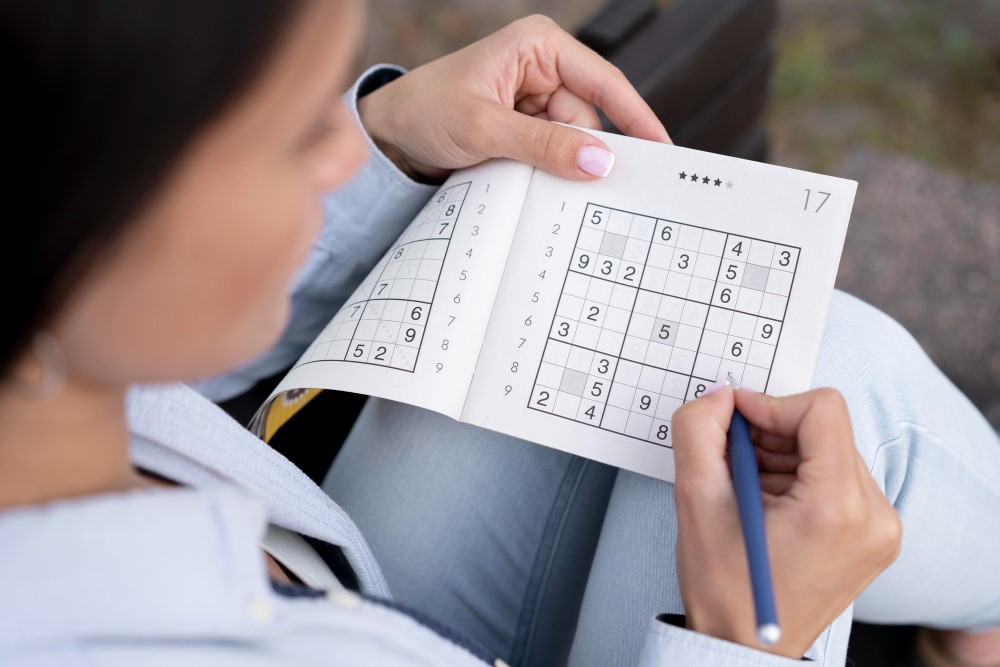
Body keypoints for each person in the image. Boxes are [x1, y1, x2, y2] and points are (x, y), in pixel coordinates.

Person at [1, 1, 998, 665]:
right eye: (297, 132)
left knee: (786, 372)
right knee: (843, 418)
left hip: (352, 583)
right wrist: (743, 644)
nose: (341, 160)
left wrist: (391, 133)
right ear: (80, 225)